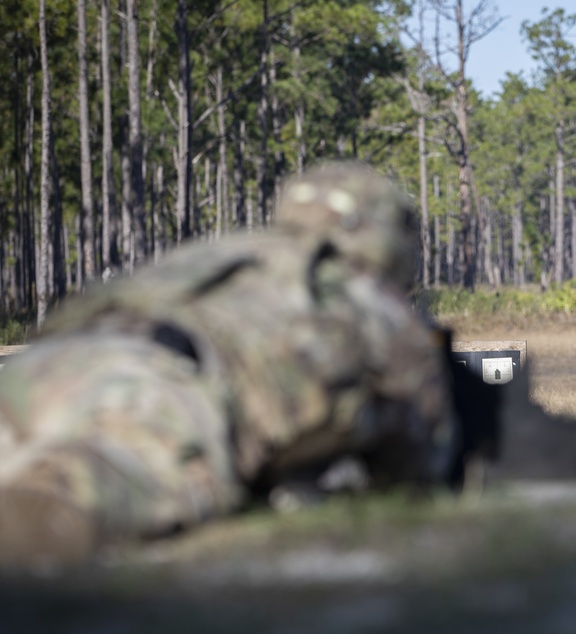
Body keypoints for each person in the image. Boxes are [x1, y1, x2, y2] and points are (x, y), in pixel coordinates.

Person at [0, 162, 460, 571]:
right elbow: (420, 454)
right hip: (155, 388)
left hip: (44, 363)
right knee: (60, 504)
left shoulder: (227, 253)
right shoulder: (358, 291)